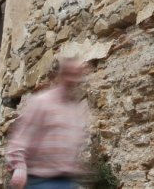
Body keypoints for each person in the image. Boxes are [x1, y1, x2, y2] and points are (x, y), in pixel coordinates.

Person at [5, 58, 91, 189]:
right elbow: (19, 140)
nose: (72, 79)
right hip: (40, 181)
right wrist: (19, 168)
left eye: (76, 75)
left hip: (66, 181)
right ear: (61, 75)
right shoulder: (42, 102)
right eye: (69, 74)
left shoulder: (74, 109)